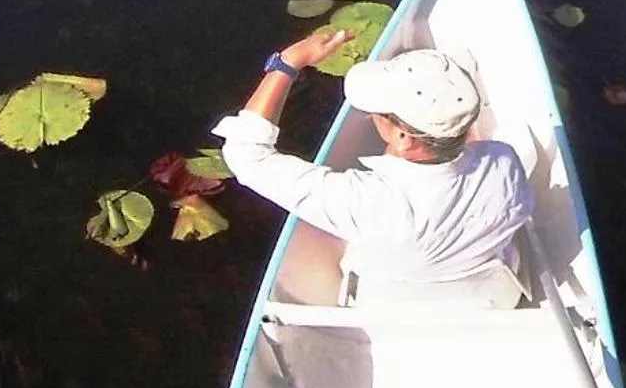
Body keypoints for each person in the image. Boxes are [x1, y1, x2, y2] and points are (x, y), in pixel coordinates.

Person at [212, 31, 533, 306]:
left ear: (403, 136)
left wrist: (290, 61)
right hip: (488, 298)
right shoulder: (505, 162)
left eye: (379, 112)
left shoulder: (365, 202)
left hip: (385, 304)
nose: (371, 115)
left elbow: (245, 156)